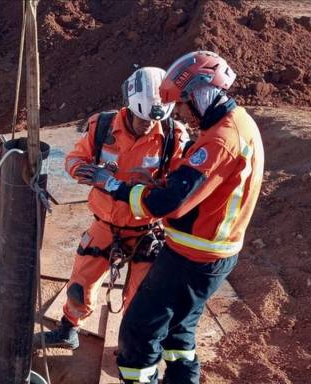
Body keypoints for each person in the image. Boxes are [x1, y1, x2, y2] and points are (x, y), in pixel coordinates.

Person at [79, 51, 264, 383]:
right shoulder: (238, 123)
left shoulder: (220, 140)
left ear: (201, 92)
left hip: (191, 258)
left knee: (138, 333)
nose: (183, 112)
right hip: (209, 254)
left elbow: (168, 204)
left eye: (185, 102)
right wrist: (161, 182)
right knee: (179, 334)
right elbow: (200, 185)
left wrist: (115, 185)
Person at [36, 67, 188, 350]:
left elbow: (182, 185)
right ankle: (69, 328)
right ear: (130, 106)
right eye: (141, 118)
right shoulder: (102, 126)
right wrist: (85, 171)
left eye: (152, 119)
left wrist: (154, 185)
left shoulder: (173, 135)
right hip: (106, 224)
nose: (147, 125)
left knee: (141, 297)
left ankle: (132, 348)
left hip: (147, 229)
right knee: (81, 284)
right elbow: (73, 159)